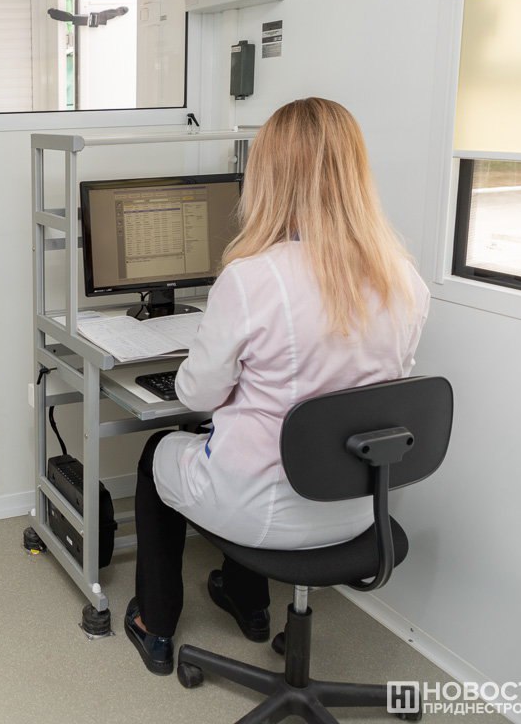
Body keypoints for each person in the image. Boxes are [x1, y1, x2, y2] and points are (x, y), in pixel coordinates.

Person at [124, 98, 431, 676]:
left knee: (160, 451)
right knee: (247, 442)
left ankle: (155, 624)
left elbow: (195, 396)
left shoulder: (251, 279)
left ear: (271, 176)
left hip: (264, 510)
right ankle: (249, 603)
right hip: (358, 511)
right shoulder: (405, 279)